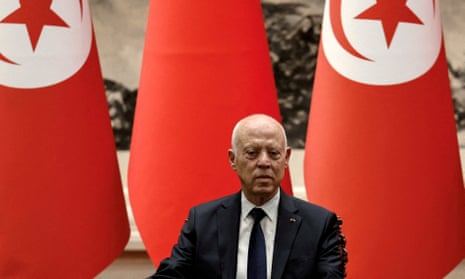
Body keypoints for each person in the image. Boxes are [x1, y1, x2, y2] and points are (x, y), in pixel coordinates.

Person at [147, 114, 347, 279]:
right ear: (233, 159)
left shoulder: (319, 224)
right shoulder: (203, 221)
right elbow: (171, 275)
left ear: (286, 158)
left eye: (274, 153)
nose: (264, 162)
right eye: (252, 153)